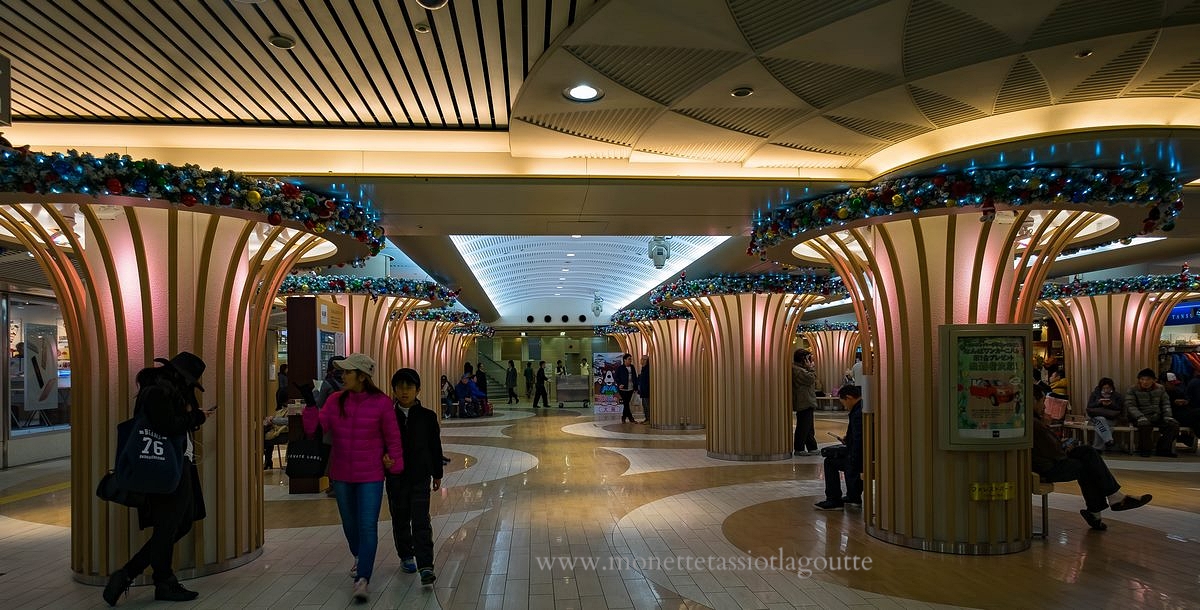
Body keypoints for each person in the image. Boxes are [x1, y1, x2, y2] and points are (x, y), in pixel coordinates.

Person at [103, 351, 213, 606]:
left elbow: (176, 422)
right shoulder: (156, 393)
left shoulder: (168, 391)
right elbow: (170, 426)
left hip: (176, 464)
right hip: (163, 467)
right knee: (170, 525)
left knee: (182, 522)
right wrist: (198, 416)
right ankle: (161, 581)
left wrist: (194, 414)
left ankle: (128, 574)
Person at [319, 353, 405, 603]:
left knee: (367, 524)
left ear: (362, 376)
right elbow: (318, 426)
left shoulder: (381, 403)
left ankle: (363, 578)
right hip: (342, 474)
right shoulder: (336, 400)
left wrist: (395, 463)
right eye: (342, 372)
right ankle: (359, 555)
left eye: (347, 372)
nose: (342, 376)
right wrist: (311, 405)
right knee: (349, 523)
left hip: (371, 475)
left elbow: (393, 437)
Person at [1032, 385, 1151, 530]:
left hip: (1042, 464)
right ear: (1033, 400)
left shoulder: (1031, 421)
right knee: (1087, 463)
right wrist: (1064, 444)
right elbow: (1056, 452)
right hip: (1048, 468)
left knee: (1087, 453)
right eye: (1042, 401)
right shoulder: (1035, 424)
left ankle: (1098, 510)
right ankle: (1109, 501)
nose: (1044, 406)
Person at [384, 368, 443, 587]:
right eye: (400, 387)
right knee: (400, 517)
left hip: (420, 475)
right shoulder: (388, 416)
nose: (405, 391)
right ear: (394, 390)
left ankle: (426, 565)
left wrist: (437, 473)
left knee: (420, 519)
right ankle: (406, 555)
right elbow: (380, 445)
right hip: (396, 477)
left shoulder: (427, 417)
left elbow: (435, 447)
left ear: (418, 389)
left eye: (409, 387)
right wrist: (384, 460)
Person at [814, 385, 863, 511]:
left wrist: (852, 457)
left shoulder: (857, 413)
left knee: (830, 462)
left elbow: (859, 439)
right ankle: (853, 496)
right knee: (841, 456)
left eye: (844, 403)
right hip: (866, 453)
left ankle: (834, 499)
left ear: (849, 398)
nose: (845, 406)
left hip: (860, 457)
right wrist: (848, 440)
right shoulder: (863, 408)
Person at [1124, 368, 1180, 457]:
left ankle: (1163, 449)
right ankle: (1145, 450)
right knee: (1145, 425)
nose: (1145, 382)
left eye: (1148, 379)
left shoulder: (1160, 388)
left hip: (1157, 415)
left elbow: (1165, 404)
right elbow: (1130, 406)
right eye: (1142, 379)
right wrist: (1140, 417)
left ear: (1154, 380)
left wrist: (1167, 416)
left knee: (1173, 425)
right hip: (1140, 416)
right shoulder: (1132, 389)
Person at [792, 349, 819, 456]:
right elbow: (811, 379)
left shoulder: (800, 369)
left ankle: (812, 447)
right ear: (804, 359)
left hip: (807, 400)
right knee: (803, 427)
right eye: (809, 358)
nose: (810, 361)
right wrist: (811, 369)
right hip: (803, 401)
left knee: (808, 426)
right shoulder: (797, 370)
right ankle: (799, 448)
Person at [1085, 377, 1120, 452]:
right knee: (1101, 421)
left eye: (1108, 388)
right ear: (1101, 388)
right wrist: (1099, 402)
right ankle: (1108, 440)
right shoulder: (1095, 394)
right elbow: (1089, 407)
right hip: (1095, 417)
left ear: (1111, 387)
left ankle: (1097, 448)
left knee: (1100, 425)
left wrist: (1110, 404)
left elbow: (1119, 408)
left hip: (1111, 418)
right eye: (1104, 388)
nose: (1106, 390)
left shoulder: (1116, 395)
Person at [615, 353, 638, 423]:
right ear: (625, 360)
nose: (630, 360)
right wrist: (619, 384)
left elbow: (635, 377)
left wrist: (635, 387)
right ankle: (630, 417)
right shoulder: (620, 368)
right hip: (623, 388)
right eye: (629, 359)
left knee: (626, 403)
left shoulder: (632, 367)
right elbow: (616, 377)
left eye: (631, 359)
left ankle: (624, 417)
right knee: (626, 403)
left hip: (630, 388)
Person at [637, 354, 650, 424]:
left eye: (644, 359)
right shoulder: (643, 368)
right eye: (642, 359)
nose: (642, 360)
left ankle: (649, 419)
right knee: (644, 405)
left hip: (646, 390)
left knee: (647, 405)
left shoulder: (648, 369)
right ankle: (646, 418)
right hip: (643, 390)